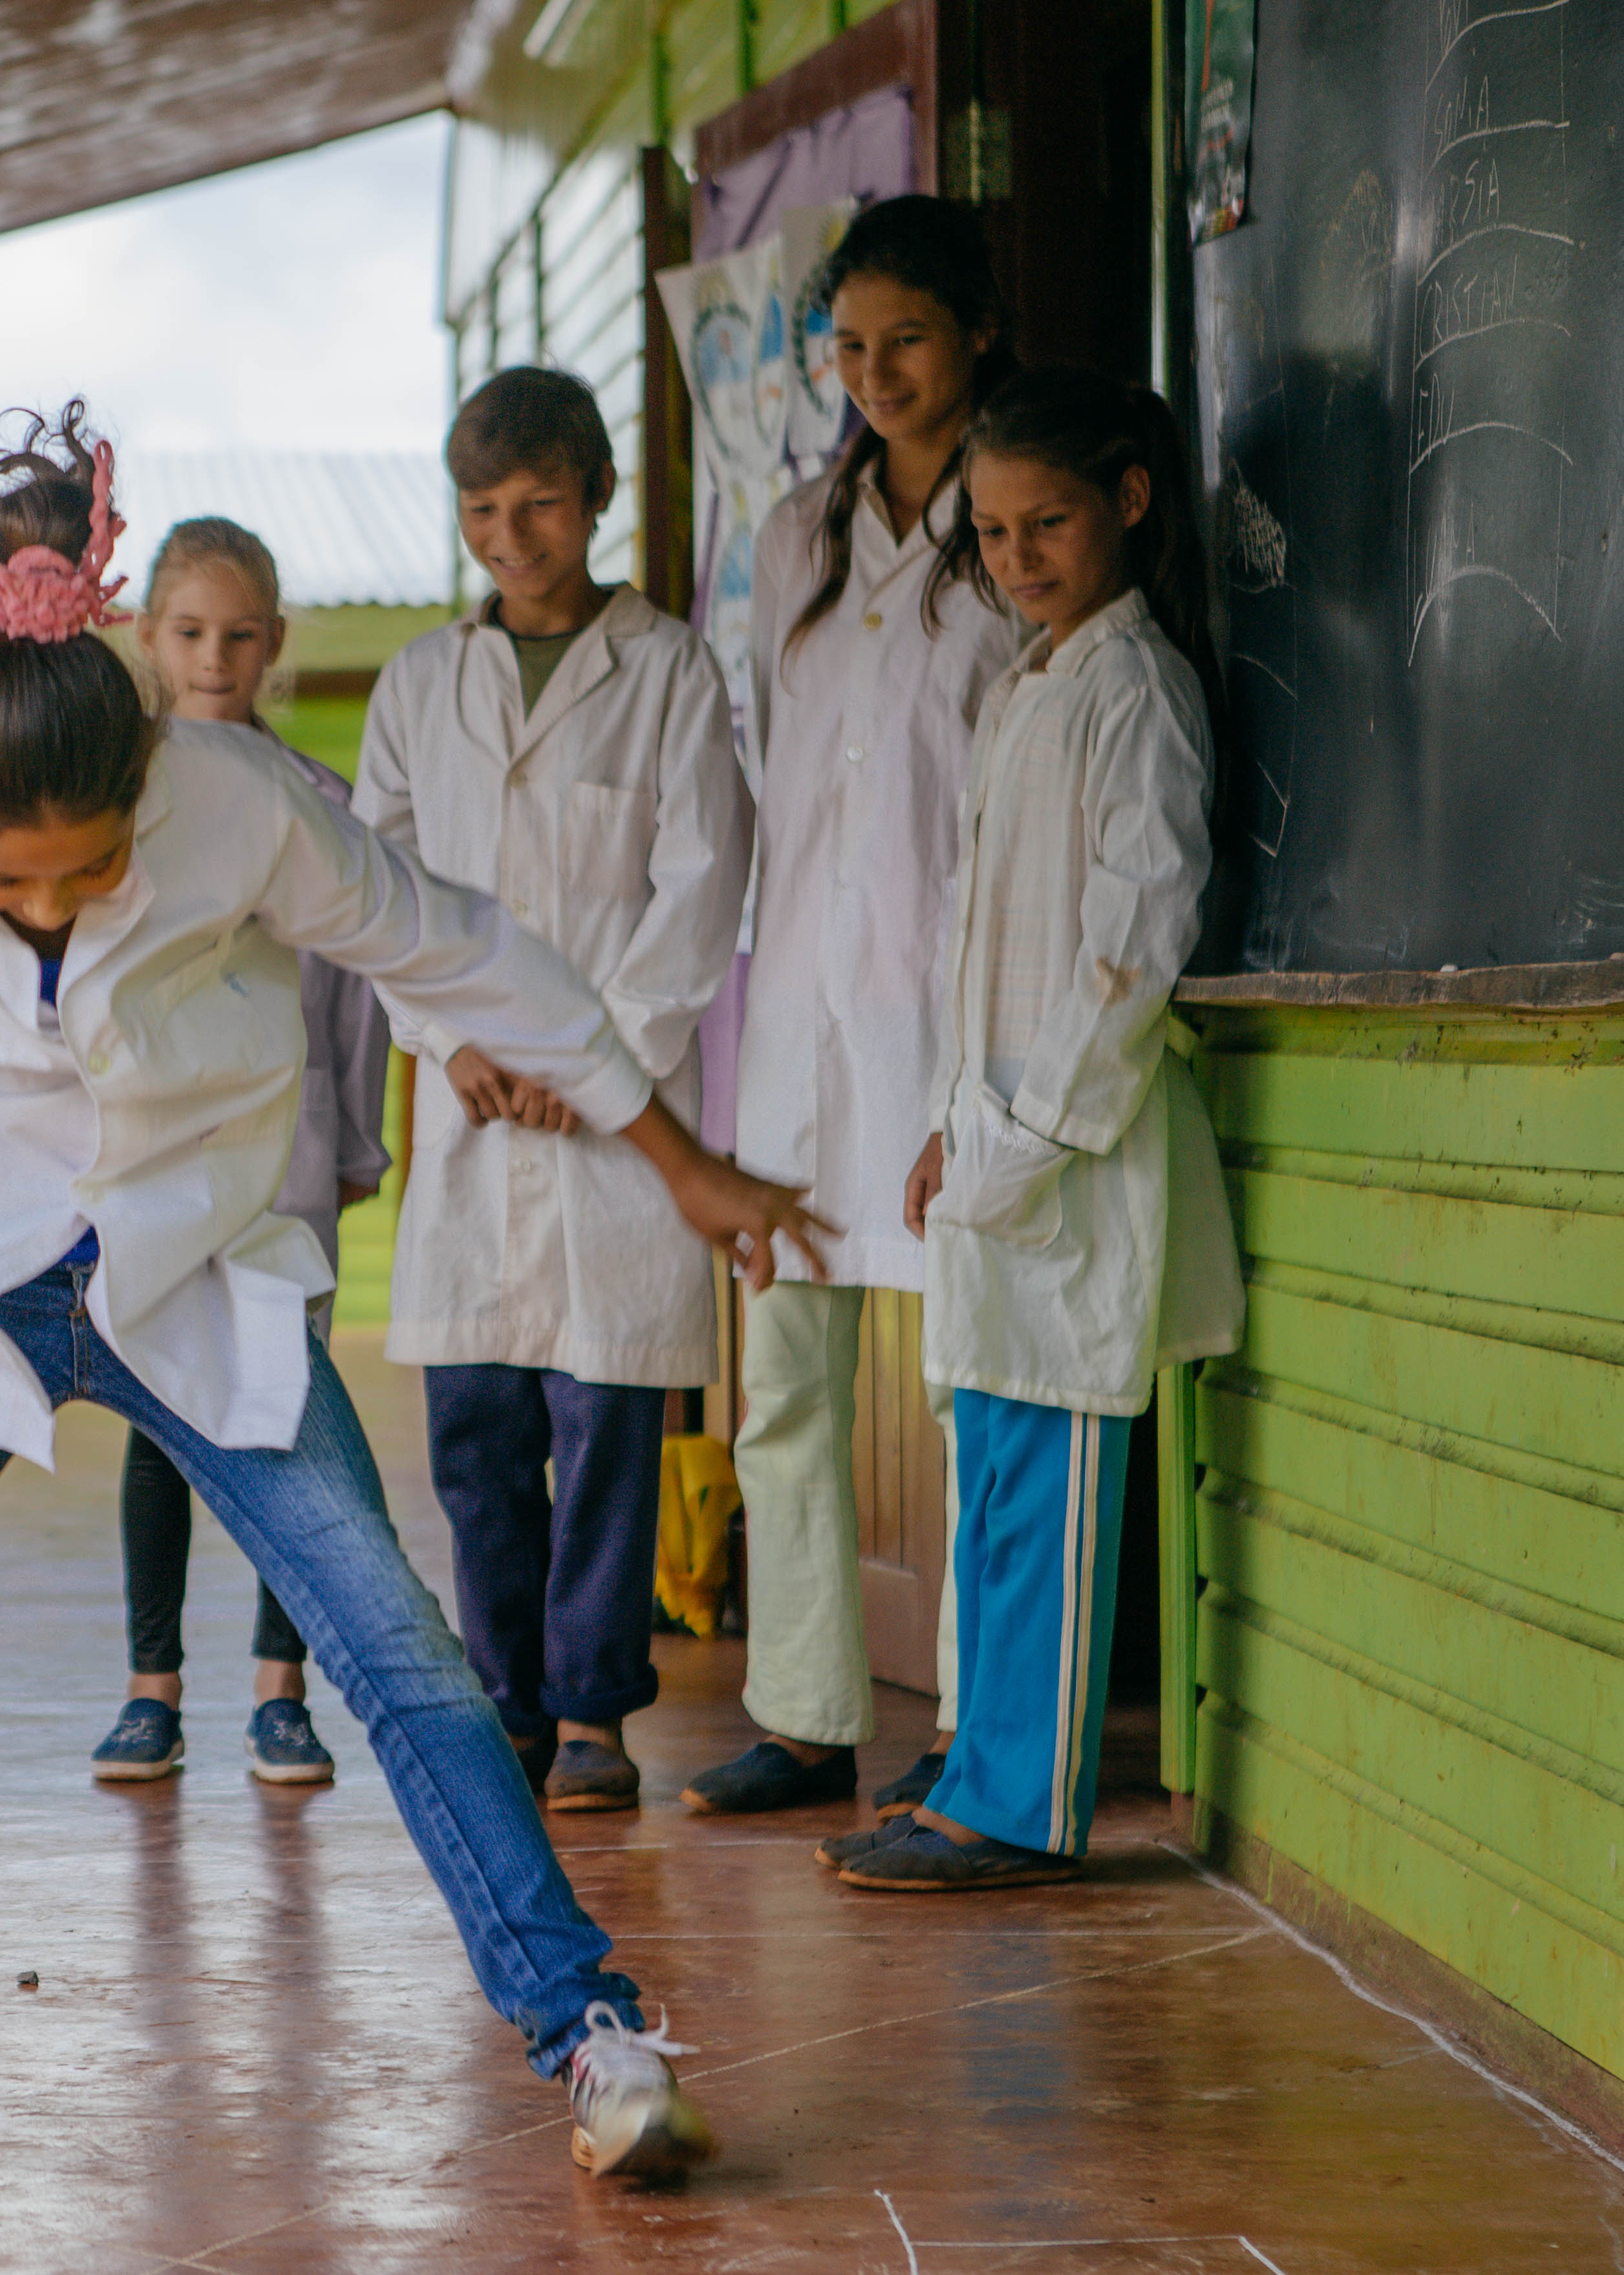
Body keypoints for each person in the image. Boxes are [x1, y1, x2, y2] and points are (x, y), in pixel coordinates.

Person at [0, 406, 829, 2231]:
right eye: (6, 885)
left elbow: (460, 949)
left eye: (88, 871)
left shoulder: (233, 799)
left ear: (143, 791)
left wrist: (671, 1151)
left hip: (194, 1266)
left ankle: (589, 2032)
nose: (48, 911)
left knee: (398, 1643)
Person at [829, 368, 1243, 1891]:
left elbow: (1134, 945)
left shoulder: (1134, 689)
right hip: (997, 1138)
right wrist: (957, 1124)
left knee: (1052, 1474)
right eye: (991, 534)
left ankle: (1021, 1801)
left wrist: (1025, 1129)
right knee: (991, 1469)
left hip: (1073, 1151)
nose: (1013, 558)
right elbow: (978, 946)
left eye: (1044, 523)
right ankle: (970, 1767)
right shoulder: (1033, 682)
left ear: (1128, 501)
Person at [354, 368, 754, 1814]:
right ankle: (505, 1701)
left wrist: (594, 1061)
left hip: (606, 1117)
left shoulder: (668, 674)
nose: (510, 535)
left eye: (537, 504)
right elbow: (377, 891)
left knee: (605, 1429)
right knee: (477, 1431)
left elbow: (699, 886)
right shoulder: (418, 683)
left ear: (592, 493)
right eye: (481, 509)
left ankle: (593, 1711)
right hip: (469, 1105)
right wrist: (446, 1038)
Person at [683, 197, 1033, 1822]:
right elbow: (763, 765)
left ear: (972, 331)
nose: (878, 373)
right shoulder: (794, 541)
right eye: (851, 347)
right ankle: (809, 1711)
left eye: (907, 339)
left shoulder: (1021, 523)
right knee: (790, 1378)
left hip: (958, 1011)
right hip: (807, 1016)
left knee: (974, 1376)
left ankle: (978, 1722)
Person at [89, 517, 390, 1789]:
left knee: (283, 1411)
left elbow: (358, 990)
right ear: (147, 638)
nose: (214, 657)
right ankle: (149, 1690)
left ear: (275, 645)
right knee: (158, 1419)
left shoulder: (317, 805)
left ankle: (282, 1691)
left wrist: (360, 1135)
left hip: (286, 1157)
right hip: (150, 1162)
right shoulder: (109, 796)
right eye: (189, 632)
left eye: (239, 634)